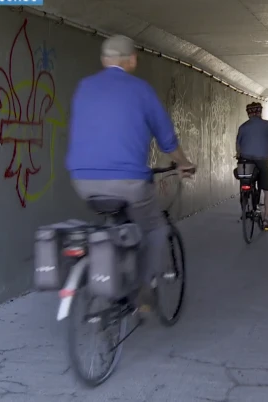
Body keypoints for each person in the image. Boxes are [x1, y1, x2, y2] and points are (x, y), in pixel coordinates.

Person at [65, 34, 196, 313]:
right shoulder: (141, 90)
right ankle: (144, 290)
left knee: (119, 225)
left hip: (83, 181)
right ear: (132, 61)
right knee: (155, 227)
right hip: (128, 182)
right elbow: (166, 139)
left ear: (103, 61)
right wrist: (182, 163)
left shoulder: (84, 87)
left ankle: (110, 273)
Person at [235, 102, 268, 230]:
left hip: (245, 161)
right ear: (260, 112)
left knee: (245, 182)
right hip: (262, 161)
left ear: (248, 113)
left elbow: (238, 146)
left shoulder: (243, 127)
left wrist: (238, 154)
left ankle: (245, 207)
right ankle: (266, 219)